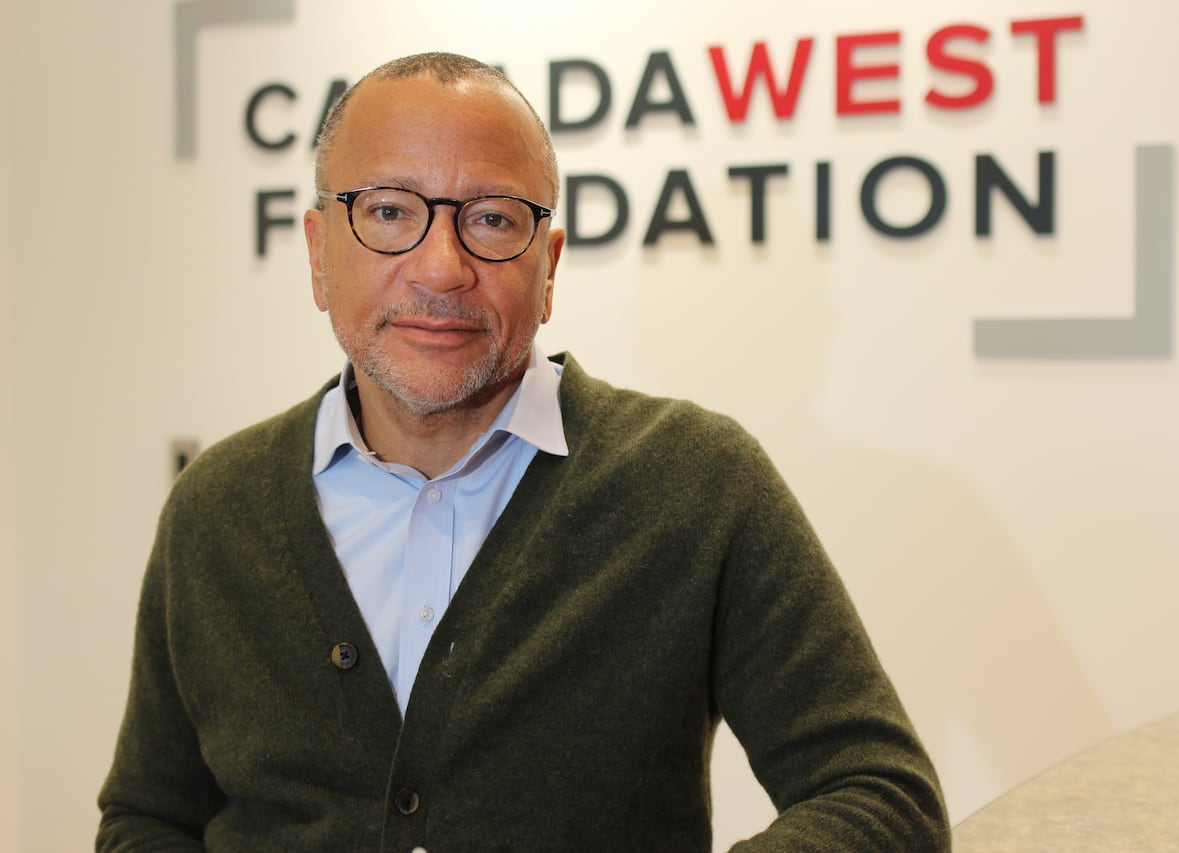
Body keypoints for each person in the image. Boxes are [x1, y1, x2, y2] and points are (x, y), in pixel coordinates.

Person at [97, 52, 950, 852]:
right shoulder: (217, 505)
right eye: (390, 210)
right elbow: (149, 817)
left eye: (492, 219)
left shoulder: (695, 481)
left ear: (548, 266)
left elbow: (880, 796)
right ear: (320, 254)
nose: (441, 266)